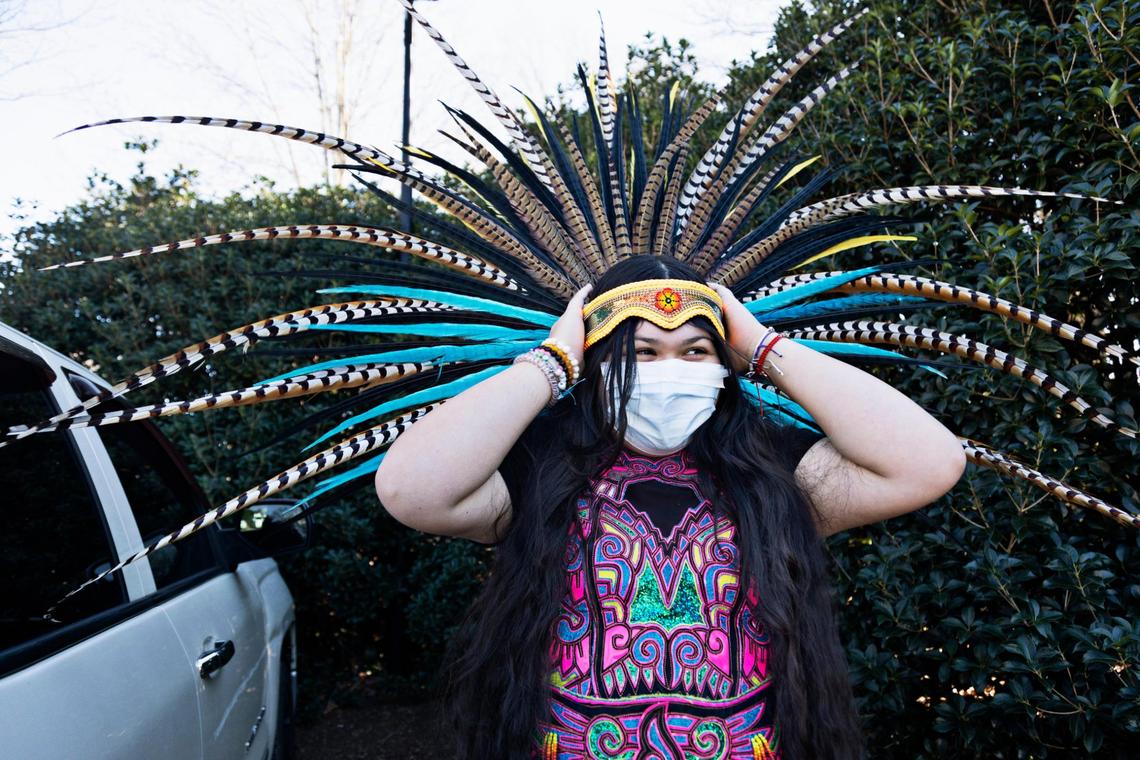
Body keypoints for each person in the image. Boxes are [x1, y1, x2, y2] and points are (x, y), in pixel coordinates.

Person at [376, 255, 965, 759]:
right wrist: (551, 363)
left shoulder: (775, 472)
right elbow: (411, 490)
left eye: (695, 351)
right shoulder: (540, 470)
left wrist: (762, 345)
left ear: (724, 364)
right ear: (597, 361)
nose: (669, 372)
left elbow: (930, 462)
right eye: (642, 352)